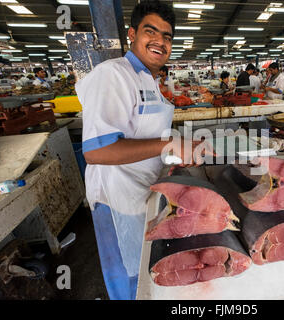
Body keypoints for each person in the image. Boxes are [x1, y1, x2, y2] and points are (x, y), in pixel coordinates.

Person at [76, 0, 209, 300]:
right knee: (129, 283)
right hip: (117, 200)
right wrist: (170, 144)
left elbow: (145, 132)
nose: (160, 41)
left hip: (142, 194)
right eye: (152, 32)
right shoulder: (114, 74)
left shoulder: (147, 79)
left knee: (146, 277)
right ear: (132, 34)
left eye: (168, 36)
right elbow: (96, 152)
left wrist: (181, 143)